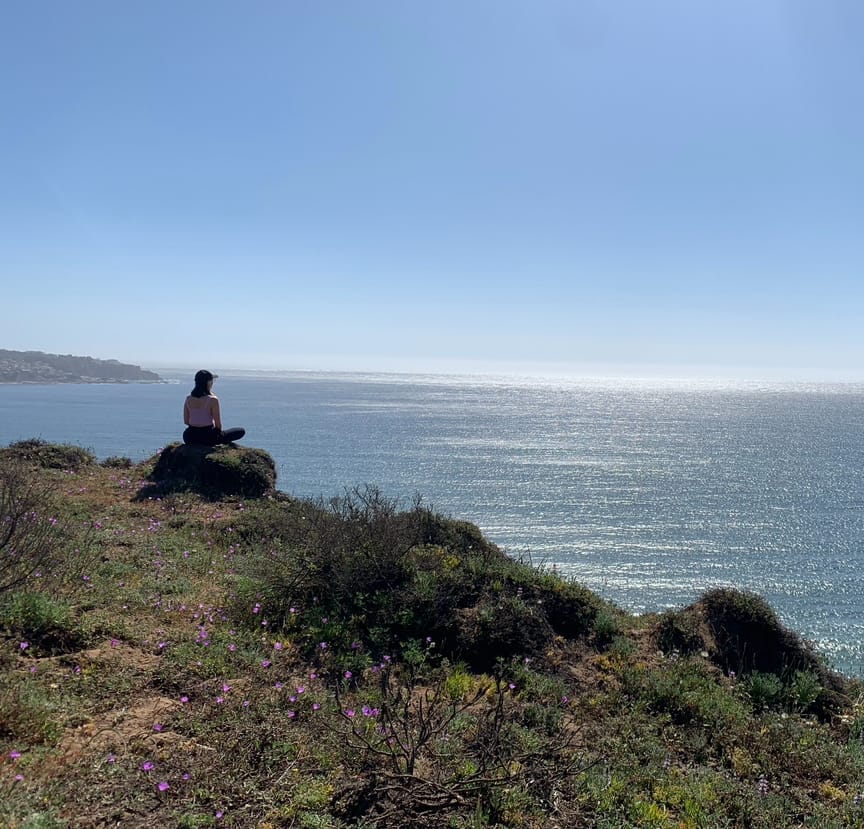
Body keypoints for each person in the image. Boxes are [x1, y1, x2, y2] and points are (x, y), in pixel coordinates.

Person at [182, 370, 246, 446]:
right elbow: (218, 425)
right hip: (208, 437)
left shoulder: (188, 398)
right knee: (241, 431)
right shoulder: (213, 400)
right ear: (208, 382)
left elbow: (186, 421)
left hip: (189, 437)